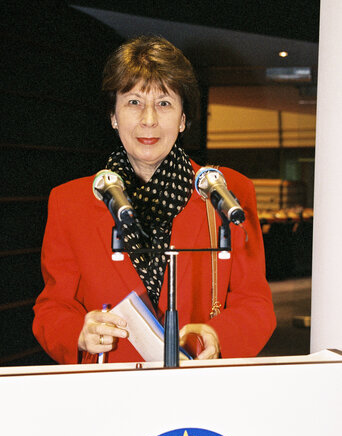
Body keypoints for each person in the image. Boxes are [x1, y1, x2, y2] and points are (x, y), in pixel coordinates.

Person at [33, 35, 276, 364]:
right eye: (133, 102)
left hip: (198, 386)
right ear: (114, 115)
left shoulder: (227, 191)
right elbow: (52, 308)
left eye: (164, 103)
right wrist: (78, 332)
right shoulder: (70, 201)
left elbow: (256, 303)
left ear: (183, 118)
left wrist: (221, 337)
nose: (148, 119)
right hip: (111, 391)